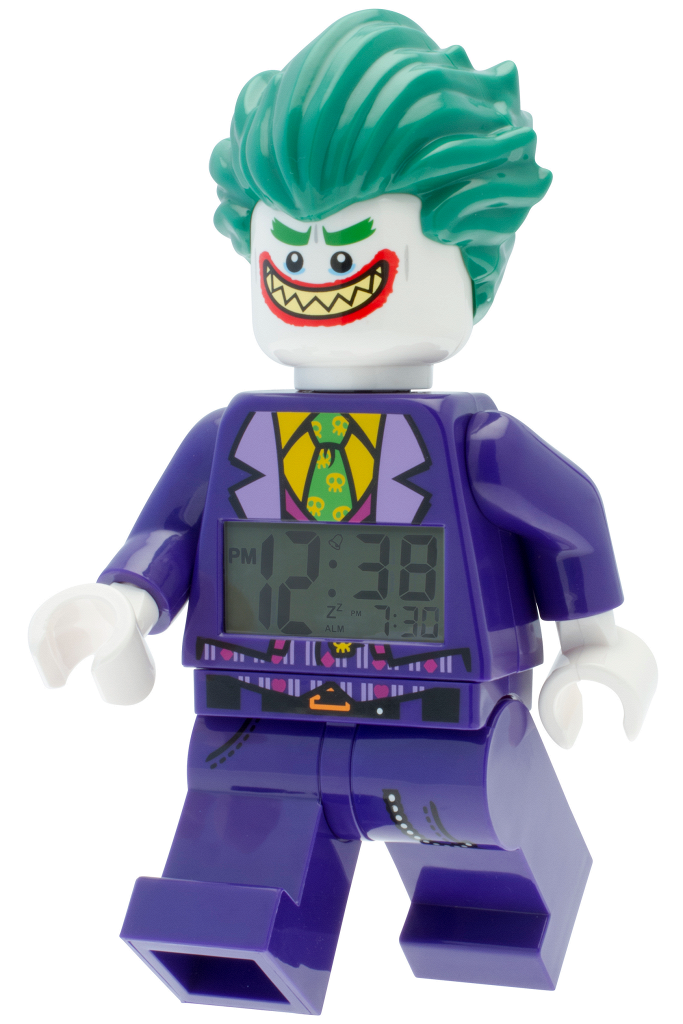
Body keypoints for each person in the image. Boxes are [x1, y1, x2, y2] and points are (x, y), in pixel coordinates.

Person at [29, 9, 656, 1013]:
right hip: (254, 721)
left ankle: (488, 931)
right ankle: (238, 945)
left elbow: (569, 516)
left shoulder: (476, 444)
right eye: (290, 243)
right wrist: (119, 609)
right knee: (234, 859)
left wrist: (599, 651)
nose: (316, 271)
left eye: (349, 246)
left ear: (468, 256)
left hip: (441, 721)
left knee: (483, 844)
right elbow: (169, 541)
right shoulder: (229, 440)